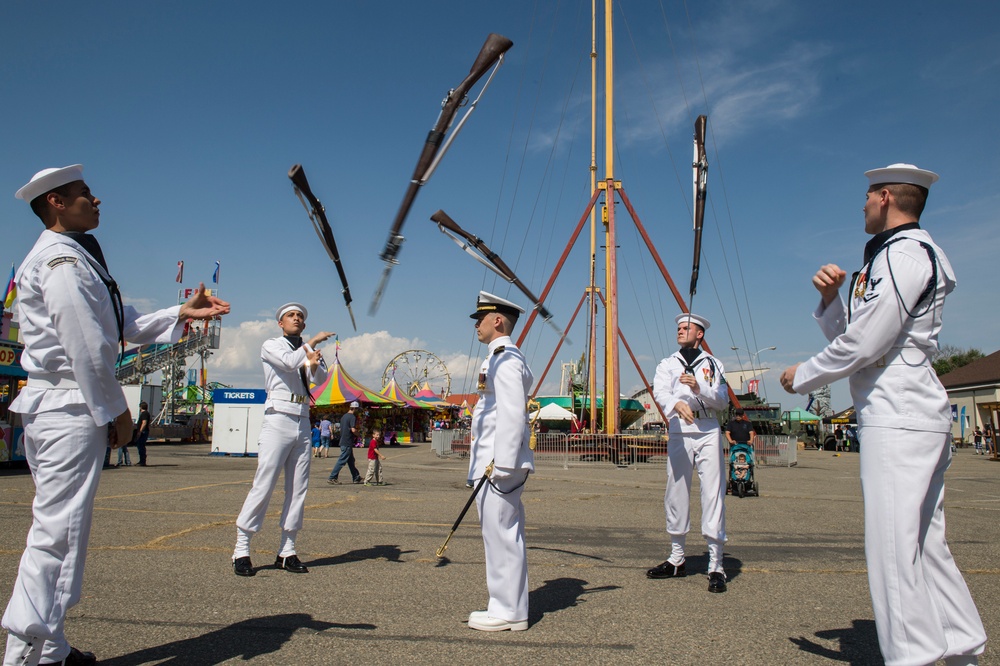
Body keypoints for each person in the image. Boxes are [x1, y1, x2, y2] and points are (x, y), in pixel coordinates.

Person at [3, 164, 230, 666]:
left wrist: (180, 313)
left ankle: (51, 649)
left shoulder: (81, 256)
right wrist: (116, 413)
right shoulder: (62, 260)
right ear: (57, 202)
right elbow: (85, 347)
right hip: (69, 406)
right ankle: (24, 655)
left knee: (63, 532)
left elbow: (120, 324)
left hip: (63, 405)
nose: (97, 199)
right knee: (57, 537)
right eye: (85, 193)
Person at [779, 163, 986, 665]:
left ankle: (913, 657)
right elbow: (870, 338)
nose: (863, 205)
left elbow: (868, 344)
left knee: (893, 553)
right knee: (923, 546)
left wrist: (803, 374)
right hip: (911, 409)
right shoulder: (906, 254)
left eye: (868, 196)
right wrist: (831, 302)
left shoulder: (902, 254)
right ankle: (961, 648)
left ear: (886, 196)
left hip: (898, 412)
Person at [232, 304, 331, 577]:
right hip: (277, 417)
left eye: (300, 316)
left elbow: (320, 379)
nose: (297, 319)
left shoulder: (306, 350)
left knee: (298, 488)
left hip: (301, 419)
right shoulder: (272, 345)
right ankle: (242, 549)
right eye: (291, 316)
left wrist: (314, 360)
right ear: (281, 323)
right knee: (264, 484)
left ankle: (287, 551)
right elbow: (288, 363)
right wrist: (309, 345)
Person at [647, 313, 730, 593]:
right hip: (680, 429)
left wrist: (699, 388)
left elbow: (721, 400)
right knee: (676, 490)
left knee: (713, 492)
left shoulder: (713, 363)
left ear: (700, 334)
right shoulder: (667, 363)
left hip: (707, 429)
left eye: (686, 328)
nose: (680, 331)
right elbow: (659, 392)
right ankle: (677, 558)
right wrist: (675, 403)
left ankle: (716, 564)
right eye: (679, 328)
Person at [466, 291, 534, 632]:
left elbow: (511, 413)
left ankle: (510, 611)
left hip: (499, 464)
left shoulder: (506, 359)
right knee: (496, 535)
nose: (476, 325)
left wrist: (503, 464)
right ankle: (502, 605)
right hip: (491, 462)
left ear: (496, 321)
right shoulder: (496, 357)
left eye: (480, 319)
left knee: (502, 535)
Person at [327, 402, 362, 484]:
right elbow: (353, 429)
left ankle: (356, 477)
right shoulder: (352, 417)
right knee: (342, 460)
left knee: (351, 461)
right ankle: (332, 477)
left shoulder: (344, 416)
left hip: (343, 440)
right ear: (354, 408)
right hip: (347, 441)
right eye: (357, 409)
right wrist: (358, 434)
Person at [134, 401, 151, 466]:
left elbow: (144, 423)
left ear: (141, 407)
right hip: (144, 431)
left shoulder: (144, 414)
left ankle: (142, 461)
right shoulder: (146, 413)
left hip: (143, 432)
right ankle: (141, 460)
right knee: (140, 446)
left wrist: (140, 431)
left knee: (141, 446)